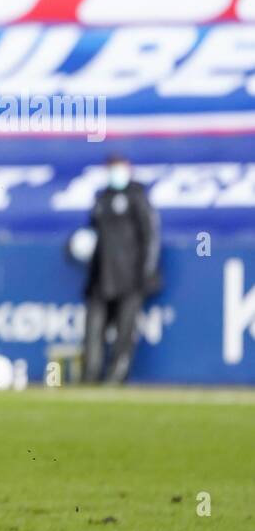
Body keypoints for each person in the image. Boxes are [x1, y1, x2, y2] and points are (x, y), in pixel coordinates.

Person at [81, 154, 160, 384]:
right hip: (100, 278)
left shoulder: (137, 196)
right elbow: (91, 234)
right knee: (93, 329)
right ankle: (90, 376)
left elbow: (150, 236)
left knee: (125, 332)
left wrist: (146, 272)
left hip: (130, 278)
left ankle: (116, 377)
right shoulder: (102, 198)